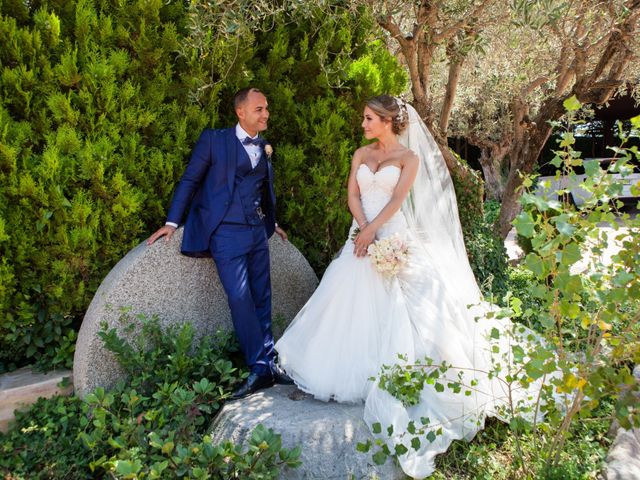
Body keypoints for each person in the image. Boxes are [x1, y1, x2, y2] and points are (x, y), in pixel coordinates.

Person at [275, 95, 547, 478]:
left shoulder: (409, 159)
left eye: (369, 118)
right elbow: (352, 193)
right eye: (365, 118)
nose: (364, 123)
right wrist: (361, 229)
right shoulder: (360, 153)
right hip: (361, 235)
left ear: (388, 121)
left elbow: (398, 200)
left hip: (391, 234)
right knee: (347, 294)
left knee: (409, 306)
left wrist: (372, 231)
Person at [148, 87, 292, 400]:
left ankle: (268, 362)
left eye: (266, 108)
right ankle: (258, 368)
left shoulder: (264, 145)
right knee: (240, 299)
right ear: (241, 112)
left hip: (256, 231)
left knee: (262, 296)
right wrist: (172, 222)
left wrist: (272, 222)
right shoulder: (214, 140)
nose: (265, 114)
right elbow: (190, 180)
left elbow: (263, 189)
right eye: (259, 109)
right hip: (226, 233)